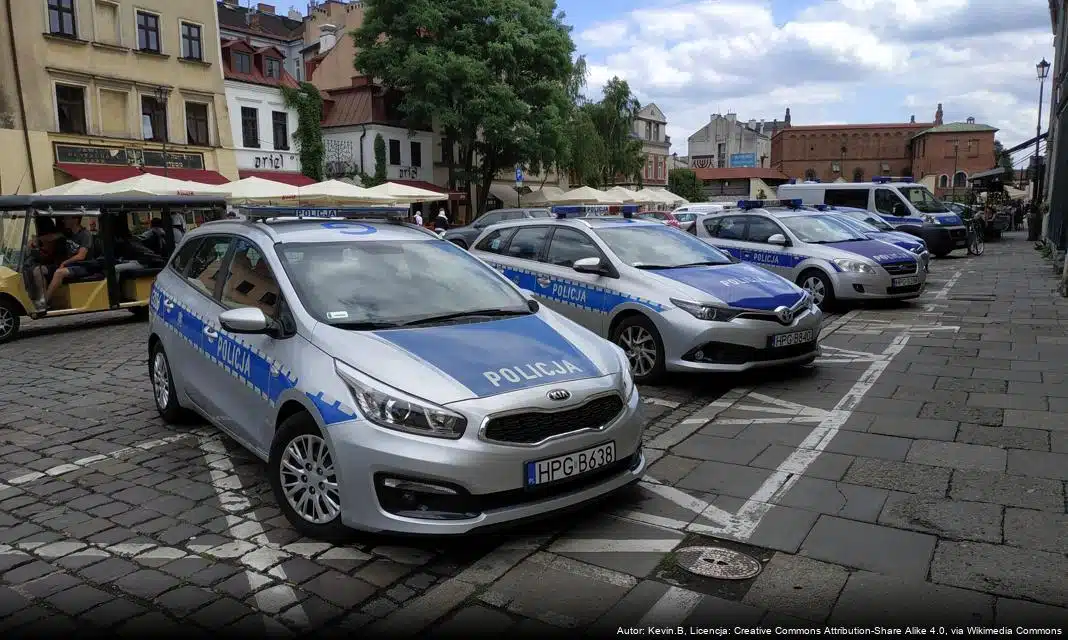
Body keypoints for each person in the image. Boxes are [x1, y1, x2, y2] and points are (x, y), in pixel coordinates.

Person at [40, 216, 100, 310]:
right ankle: (42, 298)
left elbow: (81, 256)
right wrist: (37, 240)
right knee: (40, 270)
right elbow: (51, 237)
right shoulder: (67, 233)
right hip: (70, 266)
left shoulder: (85, 234)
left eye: (67, 218)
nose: (64, 220)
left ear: (75, 220)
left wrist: (65, 262)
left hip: (84, 266)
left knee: (59, 273)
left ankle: (43, 303)